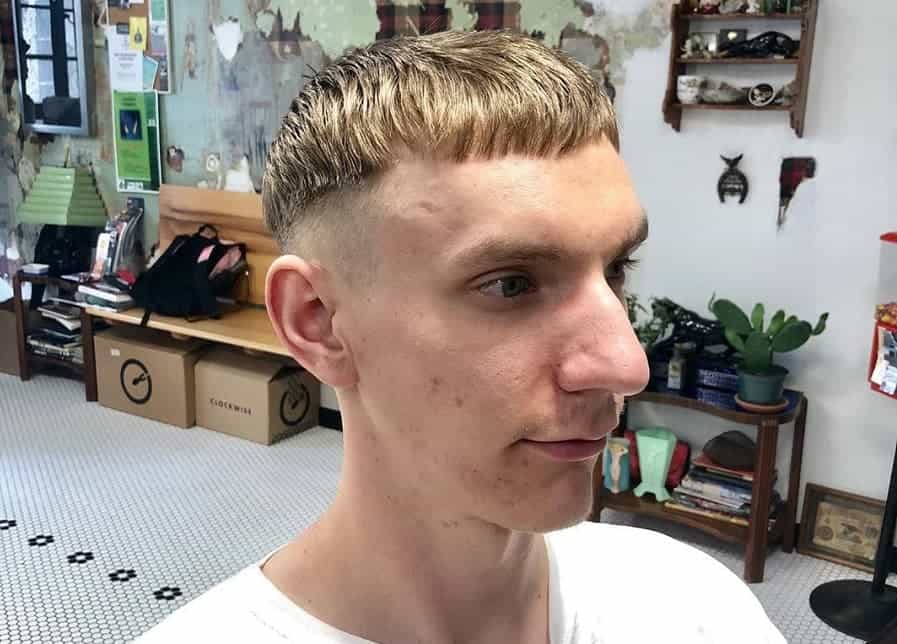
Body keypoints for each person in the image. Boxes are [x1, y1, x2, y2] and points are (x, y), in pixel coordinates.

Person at [136, 30, 785, 643]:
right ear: (318, 321)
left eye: (615, 270)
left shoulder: (692, 604)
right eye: (511, 284)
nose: (624, 364)